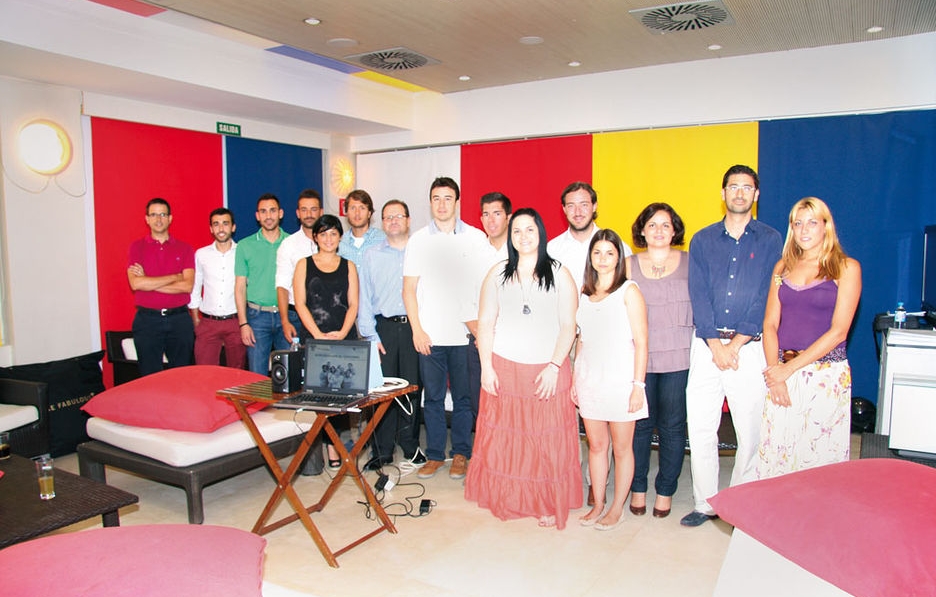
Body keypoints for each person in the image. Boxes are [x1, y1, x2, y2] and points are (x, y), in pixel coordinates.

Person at [465, 208, 582, 529]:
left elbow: (569, 326)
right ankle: (512, 497)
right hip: (505, 368)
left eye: (530, 229)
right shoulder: (497, 274)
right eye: (517, 231)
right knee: (509, 439)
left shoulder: (560, 273)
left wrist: (555, 366)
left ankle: (546, 502)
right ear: (510, 236)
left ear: (540, 233)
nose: (523, 236)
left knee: (544, 440)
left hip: (547, 370)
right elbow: (485, 323)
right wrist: (487, 367)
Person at [680, 165, 783, 527]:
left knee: (750, 430)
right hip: (706, 345)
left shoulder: (771, 239)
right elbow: (698, 293)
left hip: (749, 347)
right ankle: (705, 503)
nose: (739, 193)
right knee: (701, 428)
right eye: (733, 187)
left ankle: (741, 505)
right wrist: (715, 344)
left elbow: (765, 296)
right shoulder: (702, 239)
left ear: (756, 195)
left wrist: (736, 343)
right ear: (723, 193)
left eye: (747, 187)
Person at [758, 197, 861, 478]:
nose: (804, 230)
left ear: (826, 226)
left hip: (825, 375)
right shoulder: (782, 267)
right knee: (778, 455)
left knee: (819, 461)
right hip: (781, 373)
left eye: (812, 223)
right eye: (798, 223)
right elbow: (769, 324)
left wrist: (788, 369)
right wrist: (775, 374)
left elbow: (839, 331)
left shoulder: (846, 268)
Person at [403, 177, 487, 480]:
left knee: (464, 398)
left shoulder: (475, 238)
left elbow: (485, 287)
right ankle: (436, 454)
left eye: (447, 198)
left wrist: (480, 330)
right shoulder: (418, 240)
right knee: (434, 398)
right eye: (436, 198)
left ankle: (461, 453)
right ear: (430, 203)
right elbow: (409, 290)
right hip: (430, 336)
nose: (441, 204)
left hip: (464, 335)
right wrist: (417, 330)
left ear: (457, 202)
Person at [575, 229, 649, 530]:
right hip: (589, 379)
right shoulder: (585, 293)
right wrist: (576, 379)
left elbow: (642, 342)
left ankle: (617, 507)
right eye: (597, 253)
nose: (603, 259)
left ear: (619, 258)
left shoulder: (629, 291)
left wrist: (638, 386)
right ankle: (599, 503)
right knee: (596, 445)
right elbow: (581, 340)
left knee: (621, 448)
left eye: (609, 253)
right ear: (590, 258)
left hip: (621, 381)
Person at [626, 203, 692, 519]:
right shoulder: (627, 265)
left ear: (674, 230)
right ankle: (638, 487)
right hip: (638, 359)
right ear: (642, 230)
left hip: (679, 357)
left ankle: (665, 490)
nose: (659, 230)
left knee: (672, 427)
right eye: (652, 224)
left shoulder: (690, 262)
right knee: (639, 426)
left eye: (666, 224)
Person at [357, 200, 426, 471]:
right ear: (382, 223)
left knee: (411, 389)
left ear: (408, 220)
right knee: (382, 391)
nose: (393, 221)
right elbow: (364, 299)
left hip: (414, 328)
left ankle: (410, 446)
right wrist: (370, 337)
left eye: (399, 216)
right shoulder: (371, 255)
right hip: (383, 329)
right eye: (388, 217)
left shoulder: (420, 252)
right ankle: (382, 450)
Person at [293, 214, 359, 468]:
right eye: (323, 234)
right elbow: (300, 303)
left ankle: (334, 446)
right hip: (315, 339)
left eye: (333, 233)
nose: (328, 239)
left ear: (340, 237)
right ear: (315, 237)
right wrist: (317, 335)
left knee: (340, 397)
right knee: (318, 395)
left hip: (343, 338)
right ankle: (317, 452)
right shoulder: (304, 264)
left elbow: (353, 304)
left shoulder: (349, 266)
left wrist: (342, 332)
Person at [127, 197, 195, 376]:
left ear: (170, 218)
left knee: (181, 376)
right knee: (150, 377)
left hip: (179, 320)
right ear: (147, 219)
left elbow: (187, 286)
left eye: (163, 214)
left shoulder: (185, 248)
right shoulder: (136, 247)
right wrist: (174, 277)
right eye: (154, 215)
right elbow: (136, 283)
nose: (158, 219)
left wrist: (148, 282)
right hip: (147, 321)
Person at [466, 192, 513, 420]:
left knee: (511, 408)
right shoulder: (472, 254)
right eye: (486, 214)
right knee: (481, 407)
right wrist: (481, 335)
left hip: (513, 344)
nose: (491, 220)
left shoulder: (521, 252)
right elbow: (463, 300)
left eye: (497, 213)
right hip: (477, 341)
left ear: (508, 217)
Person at [235, 193, 290, 375]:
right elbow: (240, 287)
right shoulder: (245, 245)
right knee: (256, 376)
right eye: (263, 212)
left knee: (289, 375)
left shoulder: (291, 243)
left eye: (272, 211)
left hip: (287, 316)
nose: (268, 216)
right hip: (257, 318)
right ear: (257, 216)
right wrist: (243, 323)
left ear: (280, 213)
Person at [188, 207, 245, 368]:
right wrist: (196, 318)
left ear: (233, 227)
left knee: (237, 372)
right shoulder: (201, 254)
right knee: (205, 372)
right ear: (211, 229)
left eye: (225, 223)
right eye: (216, 224)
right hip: (208, 322)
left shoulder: (242, 253)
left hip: (235, 322)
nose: (221, 228)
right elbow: (195, 287)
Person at [547, 181, 632, 288]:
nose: (578, 212)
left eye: (584, 205)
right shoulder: (552, 249)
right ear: (564, 209)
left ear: (594, 206)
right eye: (571, 206)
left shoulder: (617, 246)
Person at [275, 189, 322, 344]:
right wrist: (285, 321)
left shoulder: (331, 242)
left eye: (313, 209)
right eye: (304, 210)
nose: (309, 214)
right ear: (298, 213)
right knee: (296, 360)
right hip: (295, 317)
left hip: (325, 315)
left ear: (321, 212)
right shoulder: (288, 245)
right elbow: (282, 286)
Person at [338, 189, 386, 266]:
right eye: (353, 208)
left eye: (362, 208)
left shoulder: (383, 239)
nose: (357, 213)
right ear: (346, 213)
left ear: (369, 213)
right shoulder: (339, 242)